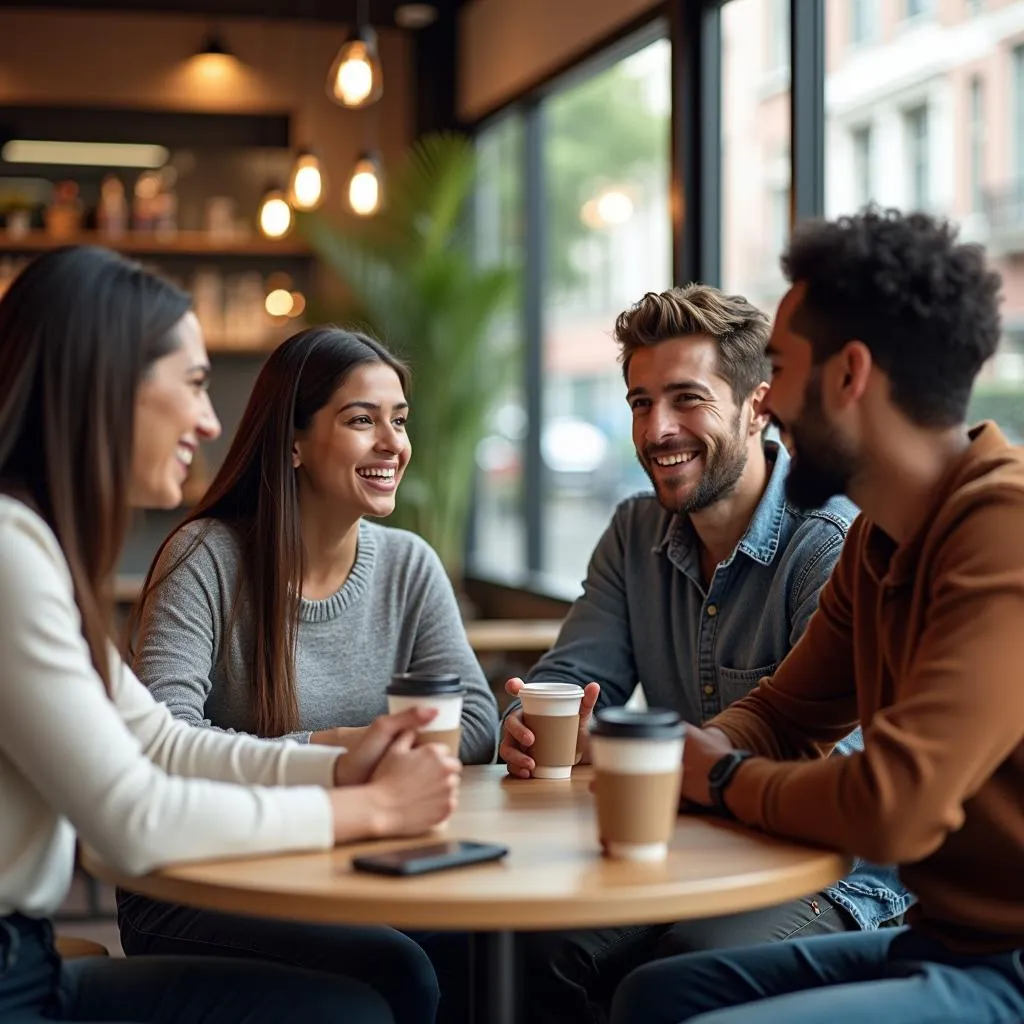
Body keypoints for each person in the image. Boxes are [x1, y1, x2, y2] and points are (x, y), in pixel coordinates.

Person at [0, 245, 462, 1024]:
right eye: (193, 385)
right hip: (15, 982)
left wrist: (341, 769)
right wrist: (369, 813)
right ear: (104, 388)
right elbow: (133, 819)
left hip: (29, 962)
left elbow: (162, 745)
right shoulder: (11, 554)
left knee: (386, 986)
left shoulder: (36, 546)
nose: (212, 420)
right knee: (375, 994)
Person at [610, 208, 1024, 1024]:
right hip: (946, 940)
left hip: (1008, 962)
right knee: (655, 995)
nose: (771, 402)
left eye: (782, 368)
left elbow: (895, 804)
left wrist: (719, 779)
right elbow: (785, 712)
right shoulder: (881, 535)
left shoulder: (1002, 531)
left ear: (849, 375)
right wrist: (702, 748)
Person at [498, 284, 910, 1024]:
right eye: (639, 402)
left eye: (687, 399)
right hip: (685, 844)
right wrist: (530, 726)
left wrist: (666, 764)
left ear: (759, 404)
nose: (657, 429)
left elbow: (835, 768)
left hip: (836, 872)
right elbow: (569, 680)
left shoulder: (829, 542)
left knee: (677, 972)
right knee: (531, 943)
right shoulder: (633, 534)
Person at [116, 325, 498, 1024]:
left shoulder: (409, 565)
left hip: (355, 862)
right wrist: (336, 751)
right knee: (400, 966)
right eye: (362, 420)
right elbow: (163, 738)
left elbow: (476, 716)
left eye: (400, 421)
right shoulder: (204, 558)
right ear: (292, 442)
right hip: (196, 884)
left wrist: (378, 755)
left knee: (488, 945)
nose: (393, 444)